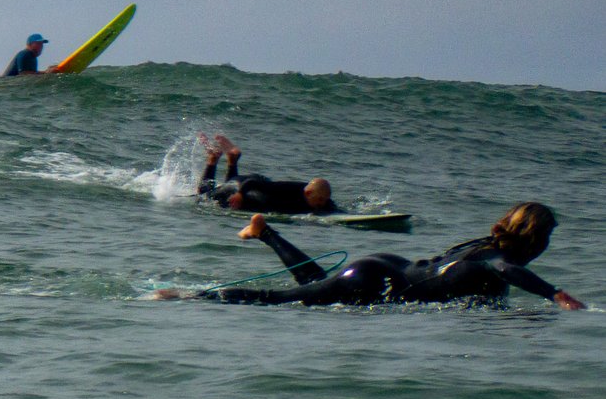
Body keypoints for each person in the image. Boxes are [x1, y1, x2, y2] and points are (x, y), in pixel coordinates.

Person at [158, 202, 585, 308]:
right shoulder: (495, 261)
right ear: (536, 238)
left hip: (382, 268)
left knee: (309, 287)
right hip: (374, 280)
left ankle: (265, 232)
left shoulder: (483, 247)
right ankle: (187, 299)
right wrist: (555, 295)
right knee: (284, 302)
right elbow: (508, 270)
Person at [195, 134, 336, 214]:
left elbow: (329, 205)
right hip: (245, 185)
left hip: (255, 185)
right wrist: (240, 194)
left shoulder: (317, 197)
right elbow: (254, 184)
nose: (321, 204)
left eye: (323, 200)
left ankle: (232, 160)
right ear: (308, 193)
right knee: (203, 197)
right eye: (319, 200)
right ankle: (213, 159)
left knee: (228, 187)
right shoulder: (291, 190)